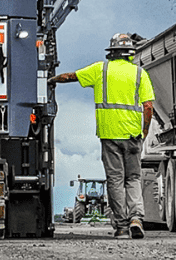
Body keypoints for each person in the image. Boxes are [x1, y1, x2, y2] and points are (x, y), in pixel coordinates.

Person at [51, 33, 154, 239]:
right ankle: (136, 218)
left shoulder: (101, 70)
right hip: (133, 135)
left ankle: (122, 227)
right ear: (130, 54)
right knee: (133, 178)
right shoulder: (139, 73)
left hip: (109, 135)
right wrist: (144, 131)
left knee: (115, 180)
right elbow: (148, 106)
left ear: (112, 52)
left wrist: (51, 79)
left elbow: (70, 77)